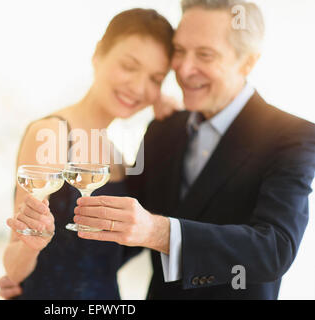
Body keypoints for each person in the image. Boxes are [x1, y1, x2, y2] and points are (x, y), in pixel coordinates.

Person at [72, 0, 315, 299]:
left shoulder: (292, 136)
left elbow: (274, 249)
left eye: (205, 55)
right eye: (180, 50)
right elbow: (125, 231)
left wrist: (158, 232)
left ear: (248, 62)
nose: (184, 70)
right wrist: (45, 263)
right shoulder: (163, 128)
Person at [1, 8, 176, 299]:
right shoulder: (54, 134)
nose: (138, 87)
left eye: (155, 79)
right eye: (129, 66)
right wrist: (32, 244)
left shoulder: (118, 157)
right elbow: (13, 266)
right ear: (98, 55)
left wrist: (174, 123)